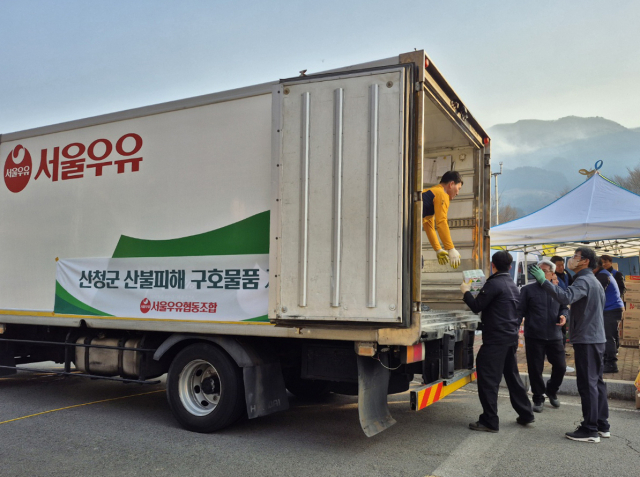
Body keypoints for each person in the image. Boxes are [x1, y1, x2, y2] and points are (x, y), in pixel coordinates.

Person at [531, 247, 608, 443]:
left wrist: (543, 281)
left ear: (585, 262)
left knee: (588, 383)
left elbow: (565, 298)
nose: (571, 260)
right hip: (595, 338)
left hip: (588, 338)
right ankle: (601, 424)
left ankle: (589, 429)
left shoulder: (584, 280)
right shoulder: (593, 281)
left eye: (575, 257)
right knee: (596, 382)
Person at [460, 251, 534, 432]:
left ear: (493, 265)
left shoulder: (493, 283)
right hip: (510, 337)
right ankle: (526, 413)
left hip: (495, 339)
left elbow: (477, 306)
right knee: (512, 376)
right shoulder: (511, 284)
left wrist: (466, 292)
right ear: (510, 267)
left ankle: (489, 420)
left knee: (488, 379)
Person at [519, 259, 568, 413]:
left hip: (555, 335)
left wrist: (564, 316)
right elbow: (520, 311)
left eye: (544, 270)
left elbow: (564, 307)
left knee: (561, 366)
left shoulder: (557, 289)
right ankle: (538, 397)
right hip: (534, 335)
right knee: (535, 369)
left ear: (552, 273)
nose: (539, 272)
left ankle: (552, 390)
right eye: (537, 269)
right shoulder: (527, 290)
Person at [423, 171, 463, 269]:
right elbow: (441, 222)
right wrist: (450, 248)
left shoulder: (433, 192)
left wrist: (438, 249)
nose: (457, 193)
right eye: (458, 188)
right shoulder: (442, 194)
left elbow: (429, 226)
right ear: (451, 184)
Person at [593, 257, 624, 373]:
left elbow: (595, 294)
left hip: (611, 309)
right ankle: (607, 360)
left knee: (608, 337)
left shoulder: (602, 276)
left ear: (595, 266)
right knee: (609, 336)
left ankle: (611, 363)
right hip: (612, 309)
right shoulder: (603, 274)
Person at [551, 256, 572, 356]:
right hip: (555, 305)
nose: (561, 267)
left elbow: (572, 284)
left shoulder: (566, 273)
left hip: (564, 305)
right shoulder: (551, 276)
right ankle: (555, 350)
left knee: (563, 328)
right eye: (558, 265)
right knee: (557, 329)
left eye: (562, 265)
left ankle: (562, 349)